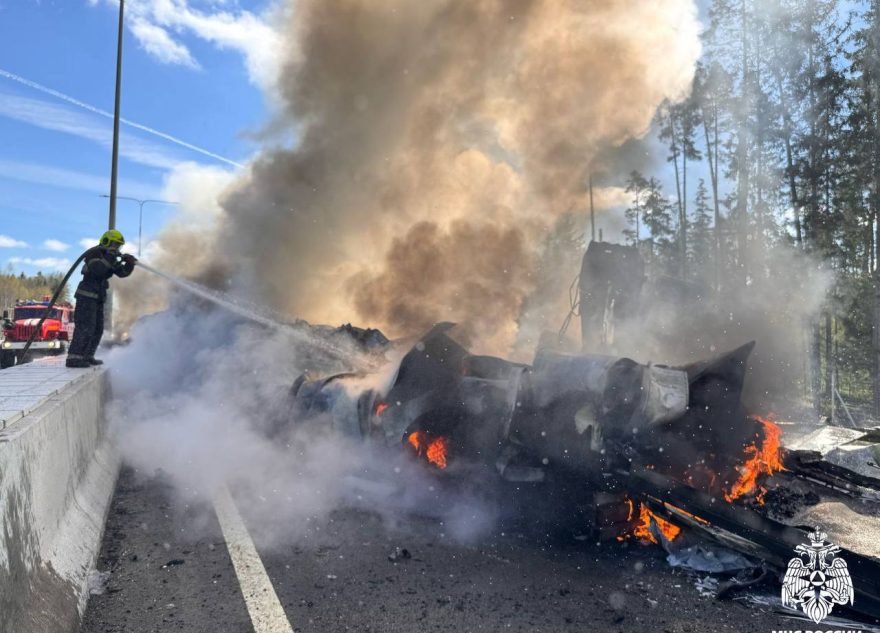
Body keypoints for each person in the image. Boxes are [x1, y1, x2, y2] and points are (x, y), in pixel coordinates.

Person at [66, 230, 137, 368]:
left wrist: (129, 264)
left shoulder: (109, 258)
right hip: (86, 297)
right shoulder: (94, 253)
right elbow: (98, 269)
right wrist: (110, 256)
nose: (117, 248)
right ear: (106, 241)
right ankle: (74, 358)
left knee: (97, 329)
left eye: (119, 246)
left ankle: (87, 356)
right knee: (85, 328)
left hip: (97, 298)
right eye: (115, 244)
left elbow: (121, 273)